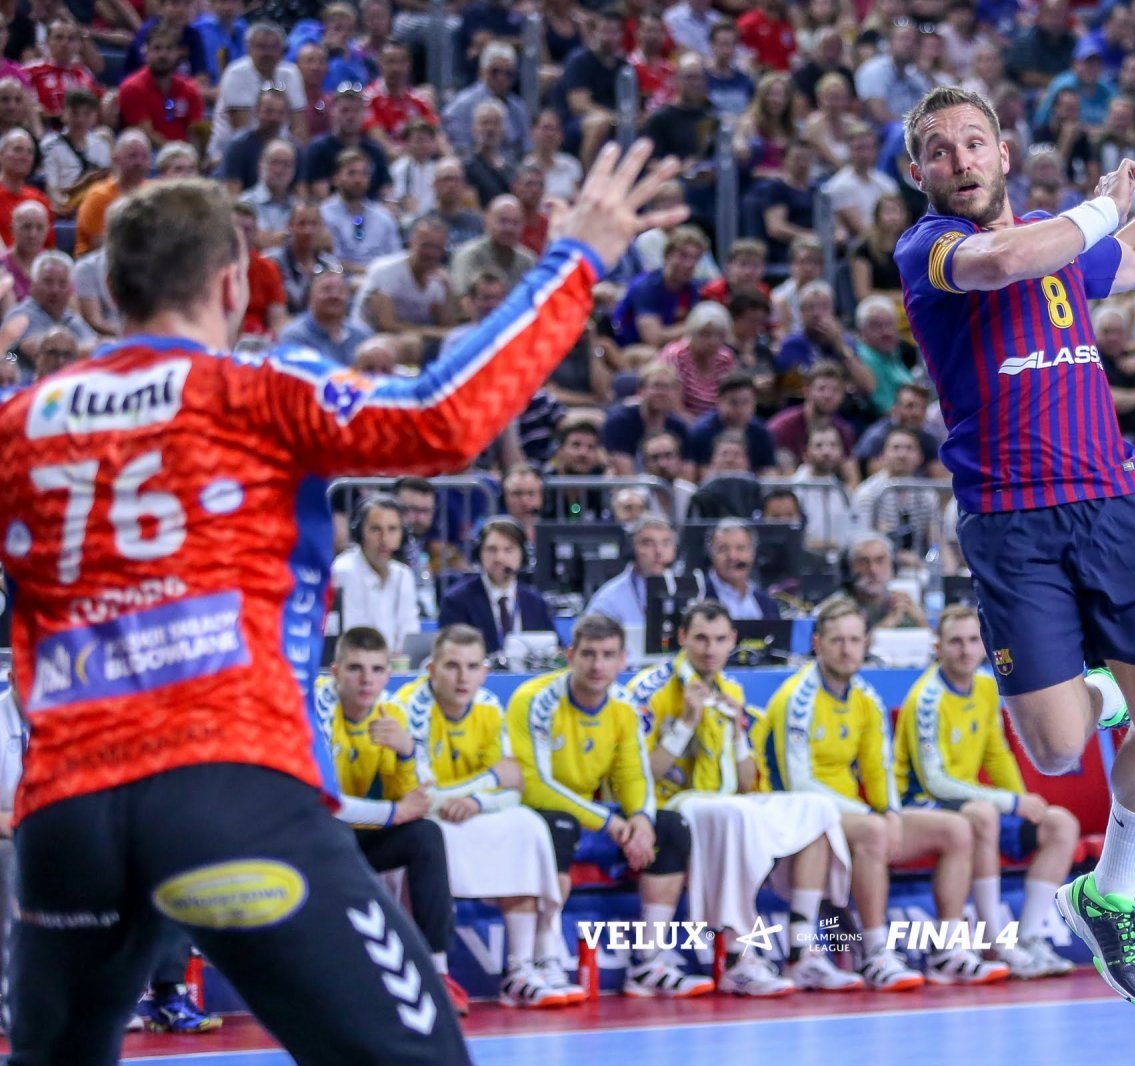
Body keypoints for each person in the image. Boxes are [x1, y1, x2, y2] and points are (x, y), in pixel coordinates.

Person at [0, 143, 685, 1063]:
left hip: (65, 812)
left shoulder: (23, 420)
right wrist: (575, 262)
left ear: (111, 290)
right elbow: (443, 418)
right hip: (225, 789)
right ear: (234, 283)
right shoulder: (252, 391)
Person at [895, 84, 1135, 1004]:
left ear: (1003, 154)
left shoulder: (1061, 239)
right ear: (919, 172)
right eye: (940, 150)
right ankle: (1105, 692)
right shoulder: (933, 249)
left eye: (974, 142)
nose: (960, 160)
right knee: (1060, 747)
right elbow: (1007, 260)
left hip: (1111, 502)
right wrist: (1101, 206)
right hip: (1011, 523)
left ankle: (1108, 892)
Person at [752, 597, 1007, 989]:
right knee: (873, 832)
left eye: (855, 640)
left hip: (847, 815)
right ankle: (874, 952)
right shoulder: (796, 697)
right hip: (794, 815)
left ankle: (947, 951)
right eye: (837, 640)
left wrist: (890, 812)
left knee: (956, 830)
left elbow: (879, 768)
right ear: (818, 644)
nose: (847, 650)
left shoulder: (866, 698)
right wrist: (873, 817)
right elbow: (798, 783)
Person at [627, 600, 862, 996]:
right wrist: (686, 723)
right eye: (701, 639)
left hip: (722, 800)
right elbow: (639, 776)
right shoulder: (650, 689)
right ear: (682, 638)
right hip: (673, 803)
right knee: (736, 814)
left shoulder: (730, 688)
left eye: (720, 640)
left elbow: (747, 781)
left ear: (733, 641)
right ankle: (738, 957)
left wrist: (737, 732)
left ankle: (802, 952)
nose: (710, 649)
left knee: (816, 808)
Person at [507, 614, 715, 999]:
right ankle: (538, 962)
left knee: (670, 828)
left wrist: (641, 819)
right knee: (558, 826)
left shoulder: (623, 707)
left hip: (592, 818)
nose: (597, 665)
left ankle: (649, 961)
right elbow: (534, 784)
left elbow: (633, 774)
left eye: (607, 655)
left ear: (623, 660)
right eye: (588, 654)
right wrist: (613, 825)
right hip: (534, 814)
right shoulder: (534, 701)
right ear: (570, 655)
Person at [392, 626, 579, 1008]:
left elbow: (514, 789)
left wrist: (478, 801)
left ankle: (520, 969)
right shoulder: (408, 707)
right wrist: (489, 782)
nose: (462, 677)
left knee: (526, 825)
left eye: (472, 666)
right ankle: (431, 972)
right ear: (431, 669)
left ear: (485, 672)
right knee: (427, 835)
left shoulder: (490, 707)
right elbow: (421, 794)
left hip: (468, 811)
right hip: (420, 818)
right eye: (452, 666)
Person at [893, 606, 1078, 980]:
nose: (965, 650)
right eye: (955, 642)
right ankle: (996, 940)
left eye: (972, 640)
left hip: (971, 804)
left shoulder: (986, 688)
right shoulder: (926, 699)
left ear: (984, 645)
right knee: (984, 814)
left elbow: (997, 755)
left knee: (1059, 824)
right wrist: (1011, 802)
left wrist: (1023, 804)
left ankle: (1028, 938)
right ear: (937, 647)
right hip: (922, 803)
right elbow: (935, 781)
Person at [314, 628, 469, 1017]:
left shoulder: (392, 715)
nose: (367, 680)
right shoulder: (316, 709)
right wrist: (391, 813)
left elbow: (414, 800)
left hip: (361, 833)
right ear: (335, 672)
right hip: (310, 838)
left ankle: (437, 971)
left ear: (388, 674)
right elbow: (322, 802)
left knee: (426, 835)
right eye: (355, 668)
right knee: (331, 833)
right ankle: (339, 978)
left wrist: (405, 754)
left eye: (377, 670)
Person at [437, 517, 556, 655]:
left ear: (523, 555)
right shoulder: (457, 601)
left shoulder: (535, 602)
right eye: (491, 550)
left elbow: (554, 650)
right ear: (479, 554)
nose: (499, 558)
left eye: (508, 550)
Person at [332, 494, 422, 650]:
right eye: (375, 529)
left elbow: (410, 634)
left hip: (396, 664)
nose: (384, 539)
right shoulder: (343, 571)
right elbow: (352, 637)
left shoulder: (404, 575)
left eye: (392, 529)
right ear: (360, 533)